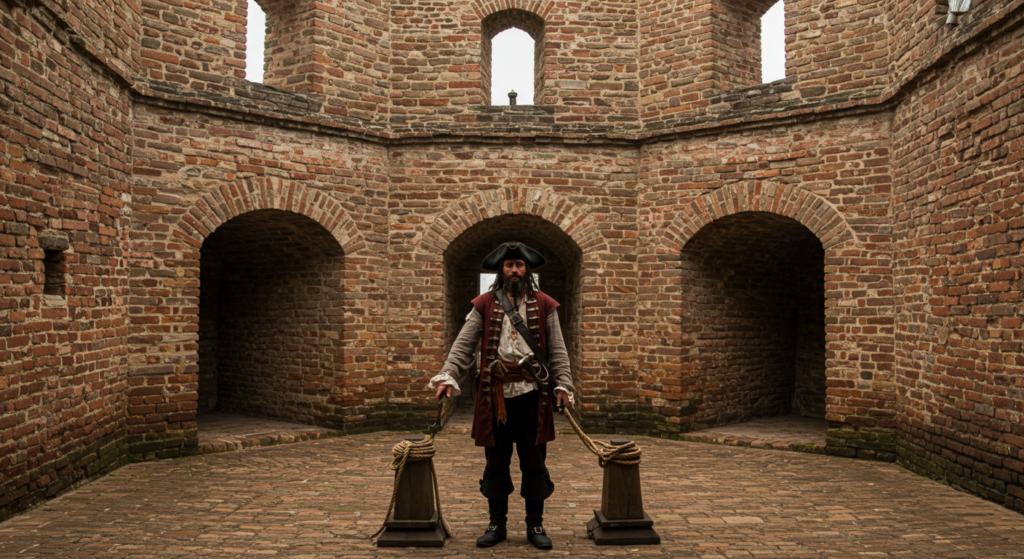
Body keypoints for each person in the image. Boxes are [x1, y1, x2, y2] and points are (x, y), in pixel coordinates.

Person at [429, 241, 574, 550]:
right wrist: (449, 375)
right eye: (509, 265)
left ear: (527, 270)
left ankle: (535, 524)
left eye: (519, 265)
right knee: (496, 461)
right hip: (495, 398)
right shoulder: (483, 304)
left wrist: (563, 384)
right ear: (501, 270)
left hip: (533, 395)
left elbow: (558, 351)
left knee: (534, 461)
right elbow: (463, 344)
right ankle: (497, 523)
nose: (514, 270)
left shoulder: (546, 304)